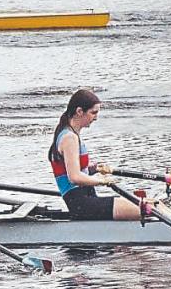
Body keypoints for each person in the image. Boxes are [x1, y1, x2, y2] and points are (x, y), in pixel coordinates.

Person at [48, 89, 155, 221]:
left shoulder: (68, 134)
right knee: (152, 208)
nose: (96, 117)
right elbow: (74, 177)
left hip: (87, 201)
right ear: (79, 111)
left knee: (154, 204)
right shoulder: (69, 138)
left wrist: (95, 169)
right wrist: (102, 181)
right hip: (83, 206)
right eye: (93, 113)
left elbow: (77, 170)